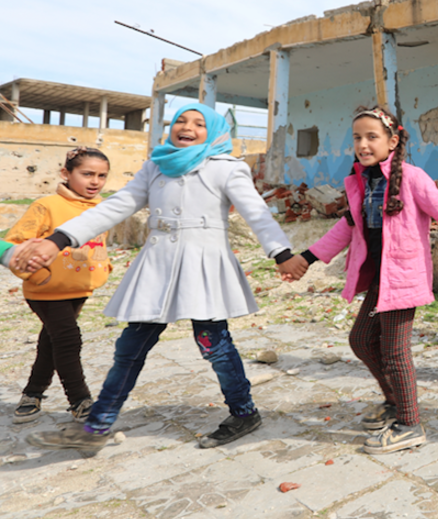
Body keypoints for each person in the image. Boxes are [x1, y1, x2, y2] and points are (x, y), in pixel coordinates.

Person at [17, 104, 294, 454]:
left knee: (215, 345)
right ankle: (96, 427)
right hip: (158, 267)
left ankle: (244, 412)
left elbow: (256, 212)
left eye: (198, 123)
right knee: (129, 348)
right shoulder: (156, 165)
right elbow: (116, 206)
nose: (187, 127)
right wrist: (59, 239)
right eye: (180, 120)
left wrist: (282, 255)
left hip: (203, 267)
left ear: (214, 132)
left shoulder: (227, 168)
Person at [279, 106, 438, 453]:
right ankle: (396, 402)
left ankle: (410, 424)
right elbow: (346, 228)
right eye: (357, 138)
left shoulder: (412, 178)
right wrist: (306, 259)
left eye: (371, 137)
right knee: (362, 340)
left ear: (392, 141)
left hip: (404, 278)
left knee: (395, 353)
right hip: (380, 279)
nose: (363, 144)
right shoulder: (362, 182)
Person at [6, 147, 112, 424]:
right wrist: (37, 275)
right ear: (66, 173)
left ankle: (32, 393)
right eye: (87, 174)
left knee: (51, 343)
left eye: (102, 176)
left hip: (80, 290)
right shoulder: (46, 206)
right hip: (46, 291)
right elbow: (16, 245)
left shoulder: (102, 209)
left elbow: (99, 245)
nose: (95, 181)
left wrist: (104, 269)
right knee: (68, 340)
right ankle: (80, 401)